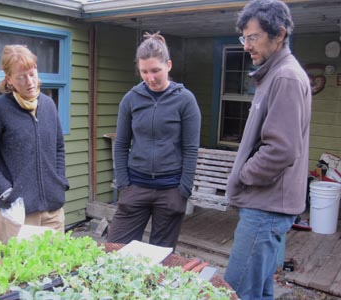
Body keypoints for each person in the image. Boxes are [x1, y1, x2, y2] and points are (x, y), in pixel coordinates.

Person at [223, 1, 312, 299]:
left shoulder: (285, 77)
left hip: (265, 207)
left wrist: (244, 174)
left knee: (234, 291)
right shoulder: (272, 73)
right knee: (259, 292)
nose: (246, 46)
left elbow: (282, 150)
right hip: (266, 204)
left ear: (279, 35)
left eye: (253, 37)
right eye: (243, 38)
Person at [107, 32, 201, 249]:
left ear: (168, 65)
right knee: (116, 251)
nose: (150, 78)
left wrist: (183, 191)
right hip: (135, 188)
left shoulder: (185, 100)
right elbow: (121, 145)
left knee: (161, 258)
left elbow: (190, 148)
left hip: (170, 191)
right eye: (144, 71)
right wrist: (124, 185)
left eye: (156, 70)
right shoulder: (130, 99)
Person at [0, 45, 69, 244]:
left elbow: (58, 147)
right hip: (17, 215)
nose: (30, 82)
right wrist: (8, 193)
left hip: (52, 212)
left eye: (32, 74)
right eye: (21, 77)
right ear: (9, 79)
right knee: (19, 273)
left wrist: (59, 181)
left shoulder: (48, 105)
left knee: (55, 269)